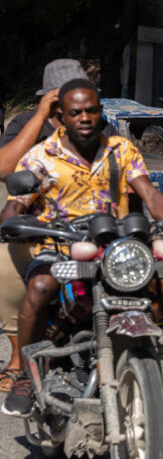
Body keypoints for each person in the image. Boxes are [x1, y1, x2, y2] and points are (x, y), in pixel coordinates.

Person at [0, 79, 163, 428]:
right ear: (62, 117)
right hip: (60, 245)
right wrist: (11, 220)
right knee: (39, 287)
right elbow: (17, 201)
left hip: (117, 246)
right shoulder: (41, 156)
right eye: (75, 112)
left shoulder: (121, 150)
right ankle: (25, 373)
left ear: (101, 112)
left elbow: (149, 191)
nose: (85, 117)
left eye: (92, 110)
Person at [0, 59, 91, 393]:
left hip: (89, 228)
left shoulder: (96, 124)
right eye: (63, 97)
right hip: (39, 229)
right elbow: (5, 169)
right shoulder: (27, 123)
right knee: (5, 265)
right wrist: (41, 116)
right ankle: (19, 359)